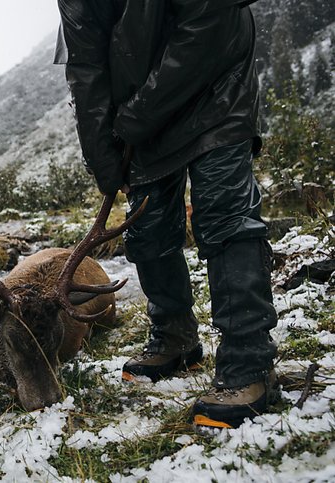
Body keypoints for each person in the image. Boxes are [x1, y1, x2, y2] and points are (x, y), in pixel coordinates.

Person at [55, 0, 279, 430]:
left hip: (216, 86)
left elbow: (206, 27)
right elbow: (85, 68)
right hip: (141, 110)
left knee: (225, 219)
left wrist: (134, 119)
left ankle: (249, 365)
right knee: (147, 226)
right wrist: (104, 157)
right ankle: (175, 336)